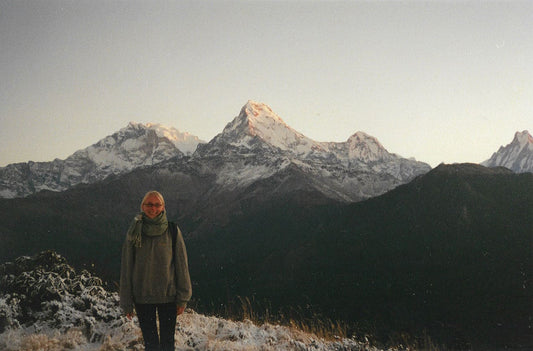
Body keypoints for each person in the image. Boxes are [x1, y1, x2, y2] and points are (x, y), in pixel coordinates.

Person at [120, 190, 192, 351]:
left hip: (168, 296)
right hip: (142, 296)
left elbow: (181, 264)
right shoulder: (134, 231)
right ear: (142, 206)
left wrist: (183, 297)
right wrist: (126, 301)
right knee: (151, 344)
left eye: (157, 205)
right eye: (149, 204)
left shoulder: (172, 231)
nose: (153, 208)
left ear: (163, 207)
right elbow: (126, 267)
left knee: (167, 345)